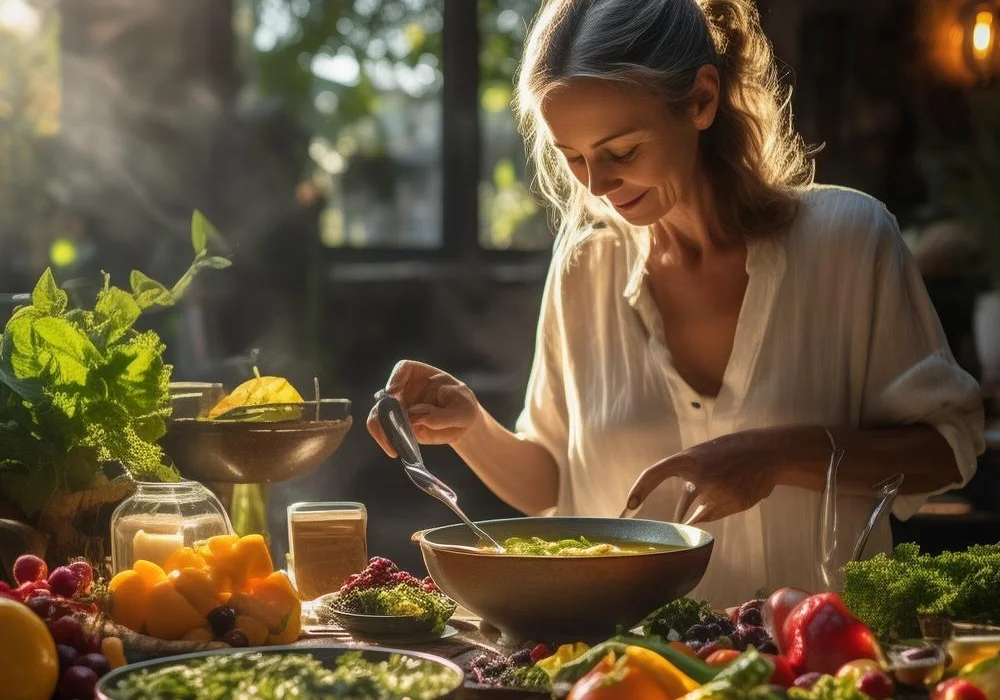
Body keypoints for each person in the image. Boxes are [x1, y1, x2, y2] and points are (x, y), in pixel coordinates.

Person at [367, 0, 985, 606]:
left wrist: (777, 455)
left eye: (623, 151)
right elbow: (551, 482)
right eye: (572, 156)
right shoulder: (586, 266)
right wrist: (471, 427)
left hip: (816, 666)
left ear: (702, 100)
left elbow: (946, 449)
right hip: (626, 671)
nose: (596, 186)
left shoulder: (849, 241)